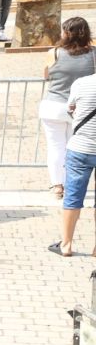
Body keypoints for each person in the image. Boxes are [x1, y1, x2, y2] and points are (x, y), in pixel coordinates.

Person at [41, 17, 95, 204]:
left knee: (55, 146)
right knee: (75, 147)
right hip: (81, 108)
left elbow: (46, 75)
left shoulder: (54, 52)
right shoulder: (93, 54)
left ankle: (57, 185)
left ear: (66, 33)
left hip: (53, 105)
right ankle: (72, 184)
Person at [59, 58, 96, 258]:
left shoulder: (81, 84)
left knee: (73, 197)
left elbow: (70, 108)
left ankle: (66, 244)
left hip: (81, 147)